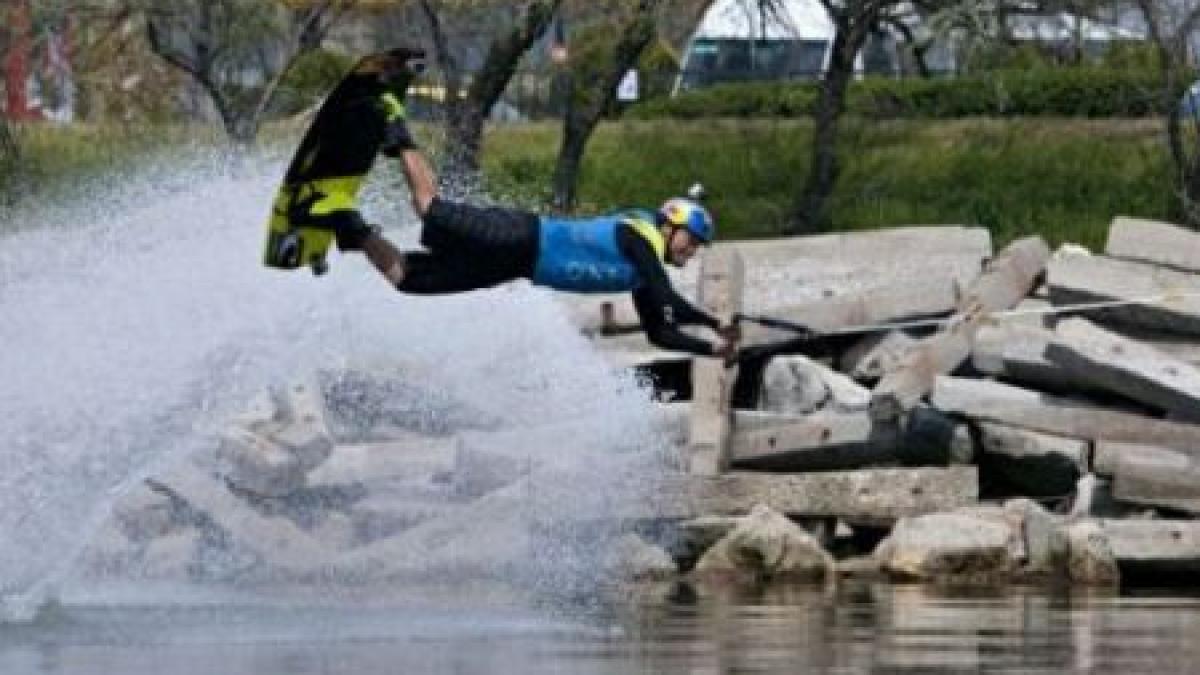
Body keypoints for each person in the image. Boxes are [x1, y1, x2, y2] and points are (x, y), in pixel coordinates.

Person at [272, 47, 739, 360]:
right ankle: (395, 127)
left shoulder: (643, 270)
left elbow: (661, 331)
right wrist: (714, 321)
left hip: (514, 267)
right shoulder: (639, 236)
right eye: (692, 242)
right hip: (522, 235)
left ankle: (350, 227)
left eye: (695, 248)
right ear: (672, 225)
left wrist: (712, 350)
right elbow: (668, 299)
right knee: (429, 208)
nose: (691, 252)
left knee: (408, 280)